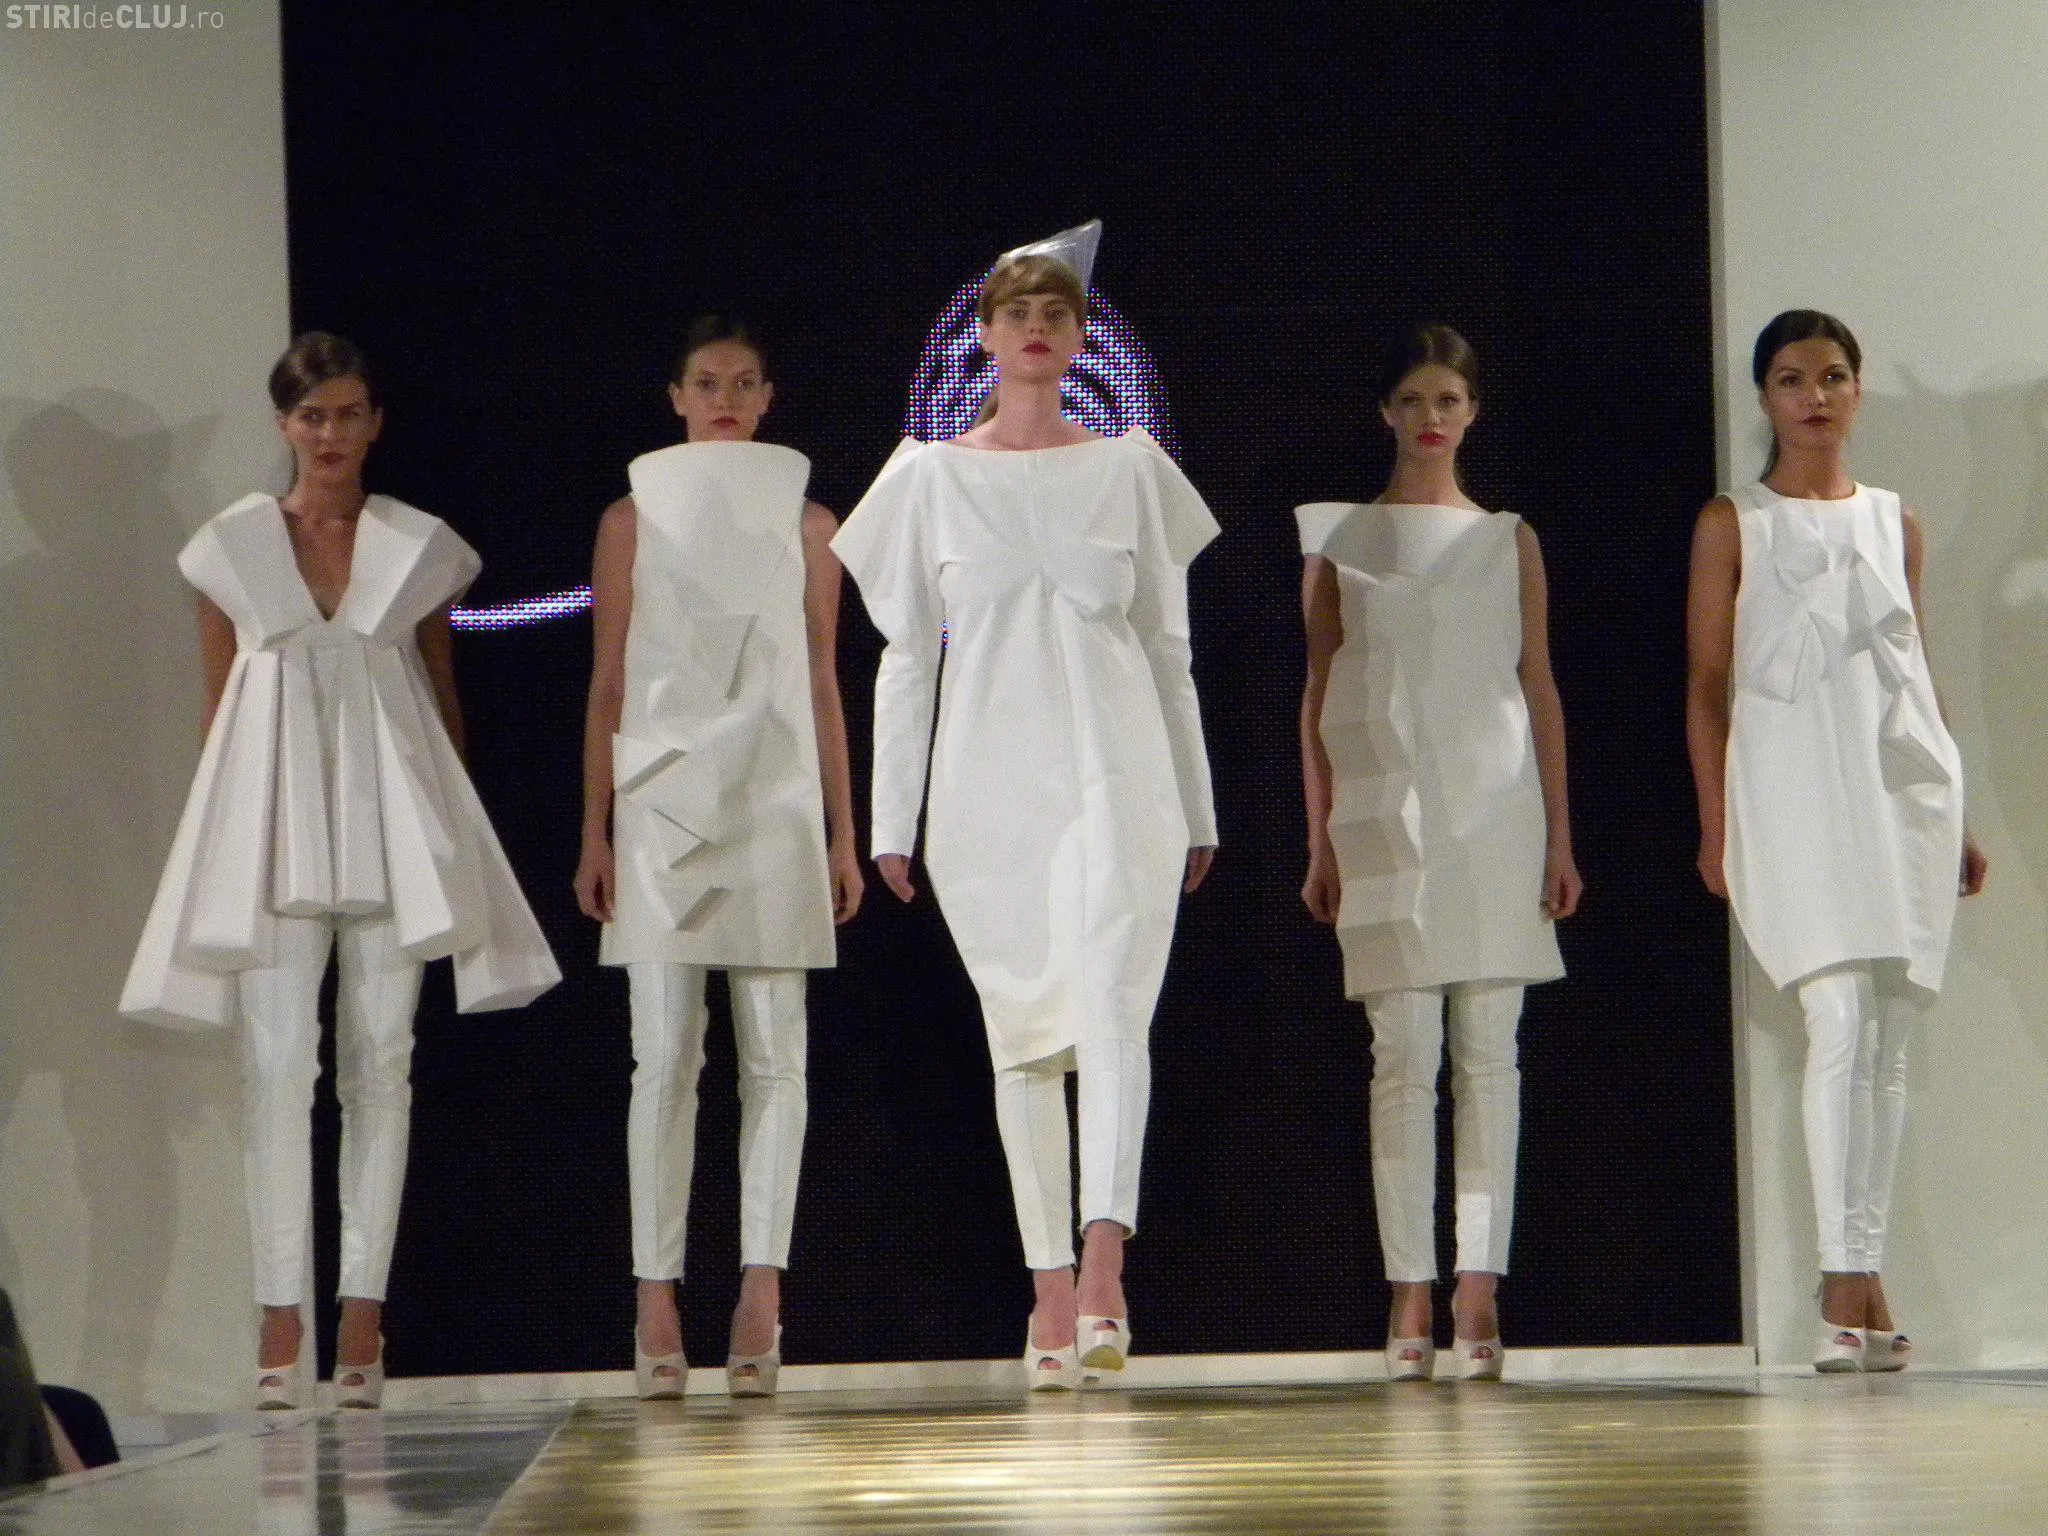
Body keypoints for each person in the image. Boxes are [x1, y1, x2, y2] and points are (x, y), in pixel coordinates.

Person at [120, 333, 560, 1409]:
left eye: (348, 413)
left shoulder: (416, 547)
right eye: (311, 415)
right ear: (283, 424)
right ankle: (280, 1319)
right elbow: (220, 710)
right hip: (272, 825)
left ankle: (362, 1317)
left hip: (388, 821)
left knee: (381, 1063)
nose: (329, 434)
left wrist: (450, 842)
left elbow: (441, 701)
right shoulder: (230, 548)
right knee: (276, 1066)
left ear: (374, 424)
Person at [833, 221, 1218, 1391]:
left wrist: (1199, 806)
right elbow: (905, 658)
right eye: (1018, 312)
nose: (1037, 328)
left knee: (1111, 1010)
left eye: (1056, 312)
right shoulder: (926, 479)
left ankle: (1104, 1266)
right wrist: (890, 819)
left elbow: (1168, 649)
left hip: (1120, 773)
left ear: (1081, 336)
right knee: (1021, 1037)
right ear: (987, 335)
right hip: (986, 788)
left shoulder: (1131, 469)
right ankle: (1046, 1285)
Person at [1686, 310, 1986, 1373]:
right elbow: (1707, 684)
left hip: (1897, 790)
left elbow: (1912, 663)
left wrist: (1953, 811)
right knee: (1838, 1021)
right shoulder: (1735, 522)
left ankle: (1859, 1284)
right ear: (1763, 396)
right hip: (1790, 790)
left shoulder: (1894, 522)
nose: (1813, 396)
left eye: (1831, 376)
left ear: (1856, 391)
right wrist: (1716, 825)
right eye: (1789, 378)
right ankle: (1841, 1278)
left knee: (1889, 1039)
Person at [574, 316, 862, 1399]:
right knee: (663, 1057)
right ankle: (655, 1294)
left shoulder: (811, 524)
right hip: (662, 802)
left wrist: (843, 829)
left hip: (775, 798)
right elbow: (607, 679)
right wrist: (596, 827)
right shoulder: (629, 519)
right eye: (707, 382)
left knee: (777, 1058)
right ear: (677, 396)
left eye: (743, 382)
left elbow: (823, 679)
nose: (725, 398)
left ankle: (760, 1289)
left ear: (768, 397)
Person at [1298, 324, 1581, 1383]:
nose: (1430, 418)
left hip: (1495, 809)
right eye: (1413, 399)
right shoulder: (1340, 539)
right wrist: (1320, 835)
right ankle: (1408, 1285)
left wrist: (1558, 834)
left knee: (1490, 1055)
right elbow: (1318, 693)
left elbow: (1536, 683)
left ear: (1471, 413)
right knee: (1402, 1055)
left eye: (1448, 401)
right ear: (1386, 411)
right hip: (1384, 814)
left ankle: (1478, 1285)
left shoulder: (1508, 539)